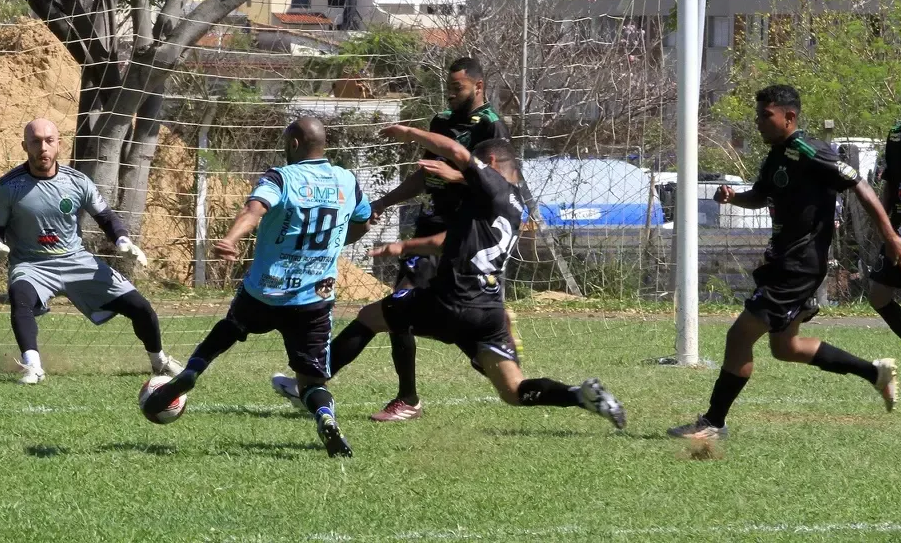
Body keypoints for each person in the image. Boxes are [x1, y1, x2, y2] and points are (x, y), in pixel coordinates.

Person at [274, 126, 626, 450]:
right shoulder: (513, 204)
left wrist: (408, 132)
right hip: (489, 313)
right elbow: (452, 241)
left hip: (451, 301)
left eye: (474, 168)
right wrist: (405, 247)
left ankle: (310, 382)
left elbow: (457, 151)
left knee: (369, 317)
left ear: (490, 164)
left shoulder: (492, 185)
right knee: (513, 390)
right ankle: (580, 395)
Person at [273, 56, 514, 422]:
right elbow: (425, 176)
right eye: (448, 88)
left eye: (458, 88)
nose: (451, 95)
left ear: (478, 86)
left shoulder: (492, 126)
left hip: (462, 233)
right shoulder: (442, 122)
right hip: (431, 224)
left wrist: (455, 176)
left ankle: (403, 394)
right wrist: (383, 202)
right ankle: (326, 383)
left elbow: (497, 185)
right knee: (395, 308)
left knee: (401, 310)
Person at [668, 85, 901, 440]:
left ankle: (714, 422)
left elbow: (859, 183)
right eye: (758, 115)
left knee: (739, 336)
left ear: (789, 117)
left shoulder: (810, 150)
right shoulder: (776, 155)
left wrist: (890, 236)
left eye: (765, 116)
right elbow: (760, 196)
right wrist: (733, 198)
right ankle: (876, 373)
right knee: (786, 347)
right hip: (783, 261)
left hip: (799, 266)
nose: (758, 122)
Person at [142, 117, 372, 458]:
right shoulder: (348, 181)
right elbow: (363, 223)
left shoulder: (281, 177)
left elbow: (254, 209)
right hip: (314, 297)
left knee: (230, 327)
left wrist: (231, 238)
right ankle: (324, 415)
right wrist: (334, 244)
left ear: (294, 144)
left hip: (266, 290)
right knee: (311, 382)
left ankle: (191, 371)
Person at [0, 118, 182, 384]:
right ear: (25, 146)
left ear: (59, 144)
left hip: (76, 260)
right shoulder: (7, 186)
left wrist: (123, 241)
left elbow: (106, 217)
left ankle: (159, 362)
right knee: (20, 298)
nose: (43, 147)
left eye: (49, 141)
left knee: (140, 307)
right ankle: (33, 367)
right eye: (35, 142)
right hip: (31, 264)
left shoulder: (77, 181)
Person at [868, 79, 901, 344]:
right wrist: (883, 222)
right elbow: (889, 183)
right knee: (878, 294)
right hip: (900, 228)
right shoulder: (896, 135)